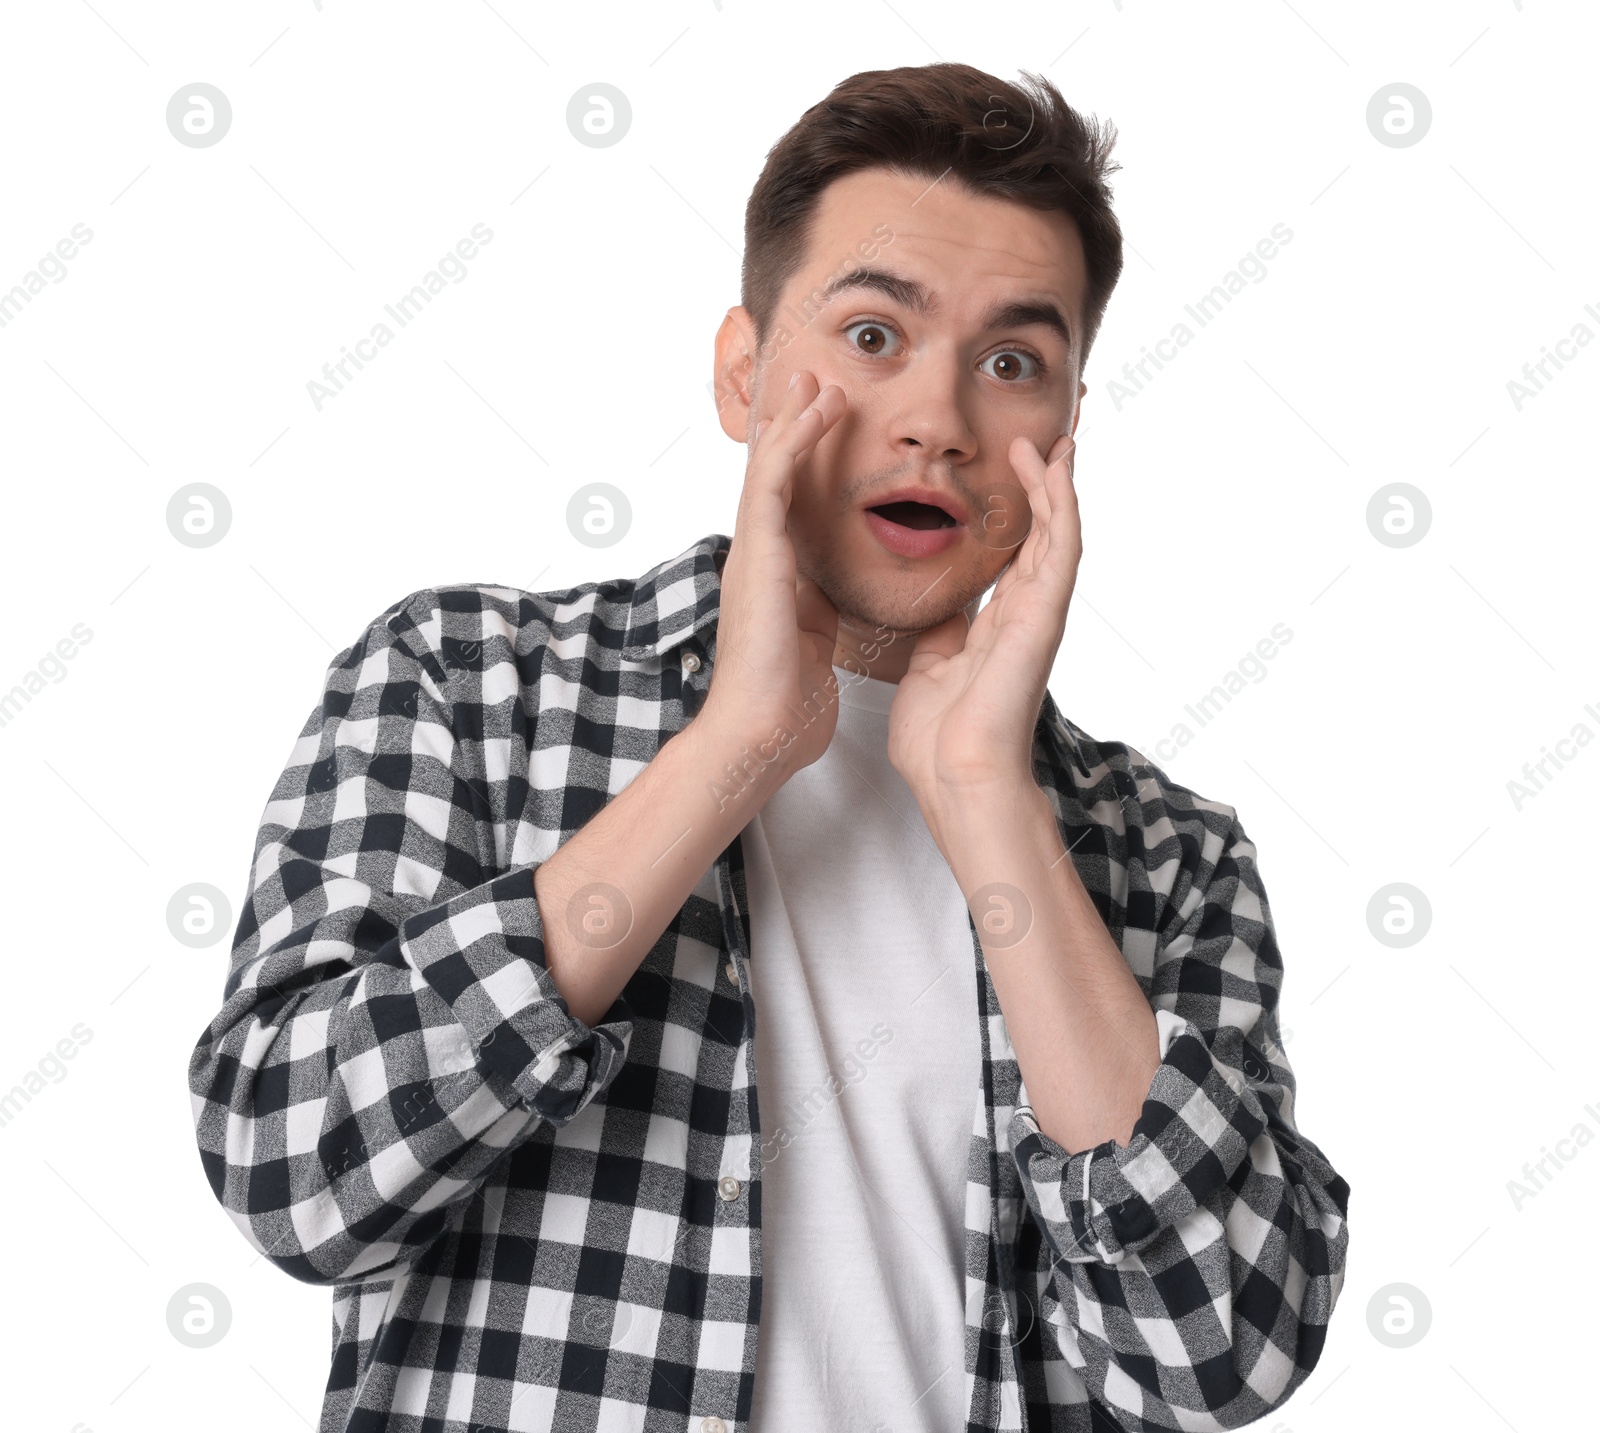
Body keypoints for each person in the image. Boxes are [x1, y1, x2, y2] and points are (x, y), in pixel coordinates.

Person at [188, 61, 1349, 1433]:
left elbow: (1226, 1356)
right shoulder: (467, 683)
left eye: (1013, 362)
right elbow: (294, 1172)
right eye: (872, 336)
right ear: (744, 375)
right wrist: (733, 748)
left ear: (1067, 429)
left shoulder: (1170, 855)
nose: (937, 419)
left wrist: (989, 802)